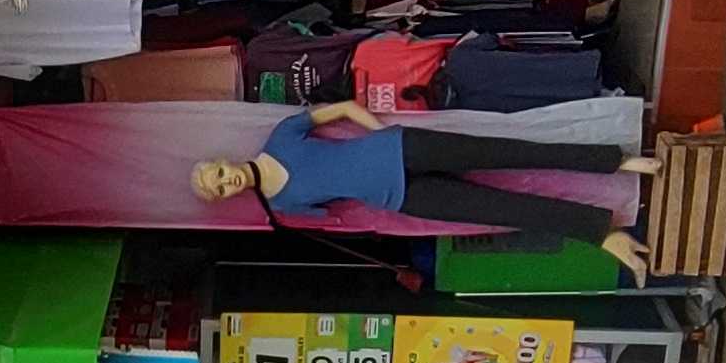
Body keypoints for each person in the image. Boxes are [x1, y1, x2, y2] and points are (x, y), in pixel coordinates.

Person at [190, 98, 657, 272]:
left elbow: (342, 108)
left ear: (223, 162)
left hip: (404, 148)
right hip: (404, 198)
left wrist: (379, 133)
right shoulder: (283, 205)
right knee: (504, 210)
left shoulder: (281, 137)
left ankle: (617, 160)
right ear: (227, 196)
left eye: (219, 174)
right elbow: (341, 211)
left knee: (513, 152)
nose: (228, 181)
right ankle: (604, 233)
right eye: (221, 189)